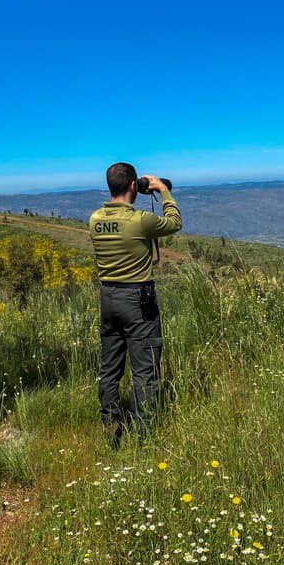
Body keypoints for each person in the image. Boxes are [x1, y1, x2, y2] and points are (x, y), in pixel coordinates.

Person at [88, 162, 182, 448]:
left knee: (110, 367)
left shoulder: (95, 219)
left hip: (109, 298)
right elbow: (174, 222)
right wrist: (163, 191)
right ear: (132, 186)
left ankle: (112, 429)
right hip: (138, 300)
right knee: (145, 370)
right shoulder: (139, 220)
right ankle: (144, 437)